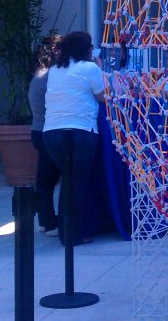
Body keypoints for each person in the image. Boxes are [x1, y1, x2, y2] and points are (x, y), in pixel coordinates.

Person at [42, 31, 106, 246]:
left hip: (51, 131)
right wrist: (99, 65)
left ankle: (65, 231)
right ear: (85, 48)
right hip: (80, 130)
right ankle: (73, 235)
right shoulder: (90, 68)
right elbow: (103, 96)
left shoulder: (54, 70)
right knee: (77, 183)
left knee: (67, 181)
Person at [29, 34, 62, 234]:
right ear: (56, 51)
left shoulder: (39, 72)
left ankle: (45, 219)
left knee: (45, 177)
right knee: (49, 177)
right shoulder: (50, 75)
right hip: (45, 129)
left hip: (37, 129)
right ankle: (49, 221)